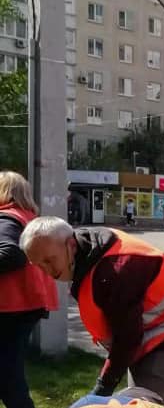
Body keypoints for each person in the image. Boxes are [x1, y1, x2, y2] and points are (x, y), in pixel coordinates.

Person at [20, 217, 164, 405]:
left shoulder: (114, 271)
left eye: (49, 260)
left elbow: (127, 338)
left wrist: (103, 387)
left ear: (71, 245)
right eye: (39, 266)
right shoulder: (85, 248)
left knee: (144, 403)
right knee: (134, 399)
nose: (47, 271)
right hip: (150, 331)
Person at [0, 171, 58, 408]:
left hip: (9, 307)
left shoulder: (6, 219)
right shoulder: (28, 218)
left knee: (8, 377)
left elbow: (11, 253)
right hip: (26, 305)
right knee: (8, 371)